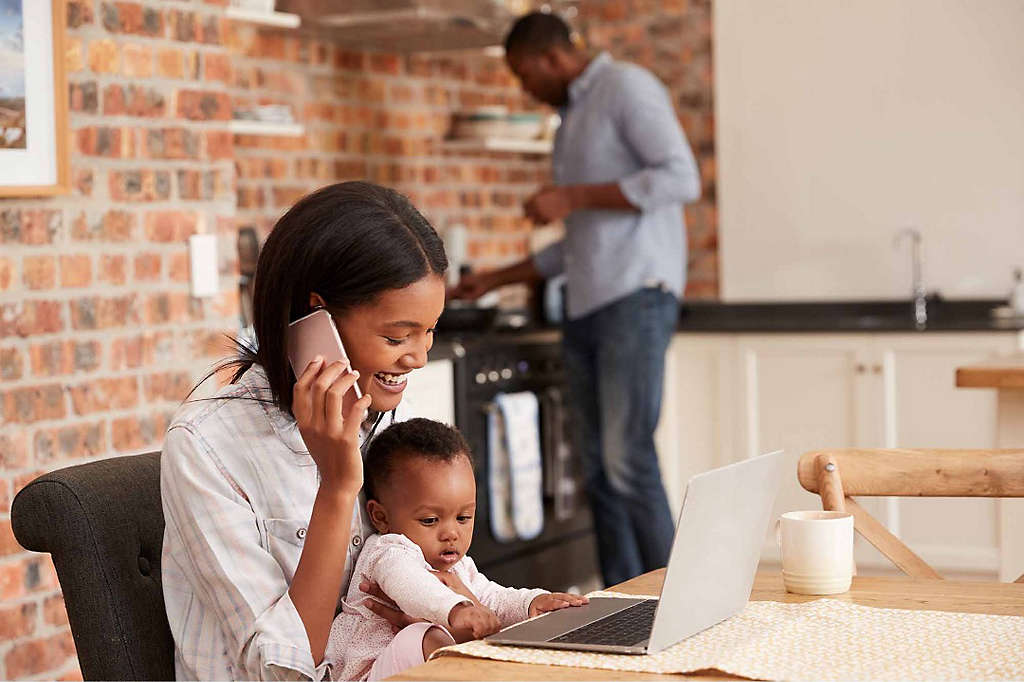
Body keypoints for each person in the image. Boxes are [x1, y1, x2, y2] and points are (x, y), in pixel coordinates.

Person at [160, 181, 458, 680]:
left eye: (430, 331)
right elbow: (283, 672)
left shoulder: (373, 415)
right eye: (396, 336)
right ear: (317, 315)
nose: (419, 357)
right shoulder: (206, 445)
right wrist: (338, 487)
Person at [451, 12, 701, 587]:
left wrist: (573, 195)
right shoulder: (571, 123)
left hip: (636, 298)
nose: (524, 88)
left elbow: (681, 178)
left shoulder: (626, 89)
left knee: (626, 458)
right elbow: (581, 241)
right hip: (588, 307)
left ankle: (679, 597)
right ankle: (621, 603)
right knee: (598, 470)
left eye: (523, 74)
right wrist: (493, 280)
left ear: (551, 58)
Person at [327, 418, 588, 681]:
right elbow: (410, 585)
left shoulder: (456, 565)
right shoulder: (388, 551)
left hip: (418, 670)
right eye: (430, 520)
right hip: (367, 673)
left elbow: (492, 598)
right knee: (425, 637)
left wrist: (532, 604)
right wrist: (457, 610)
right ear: (381, 517)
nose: (451, 534)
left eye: (463, 518)